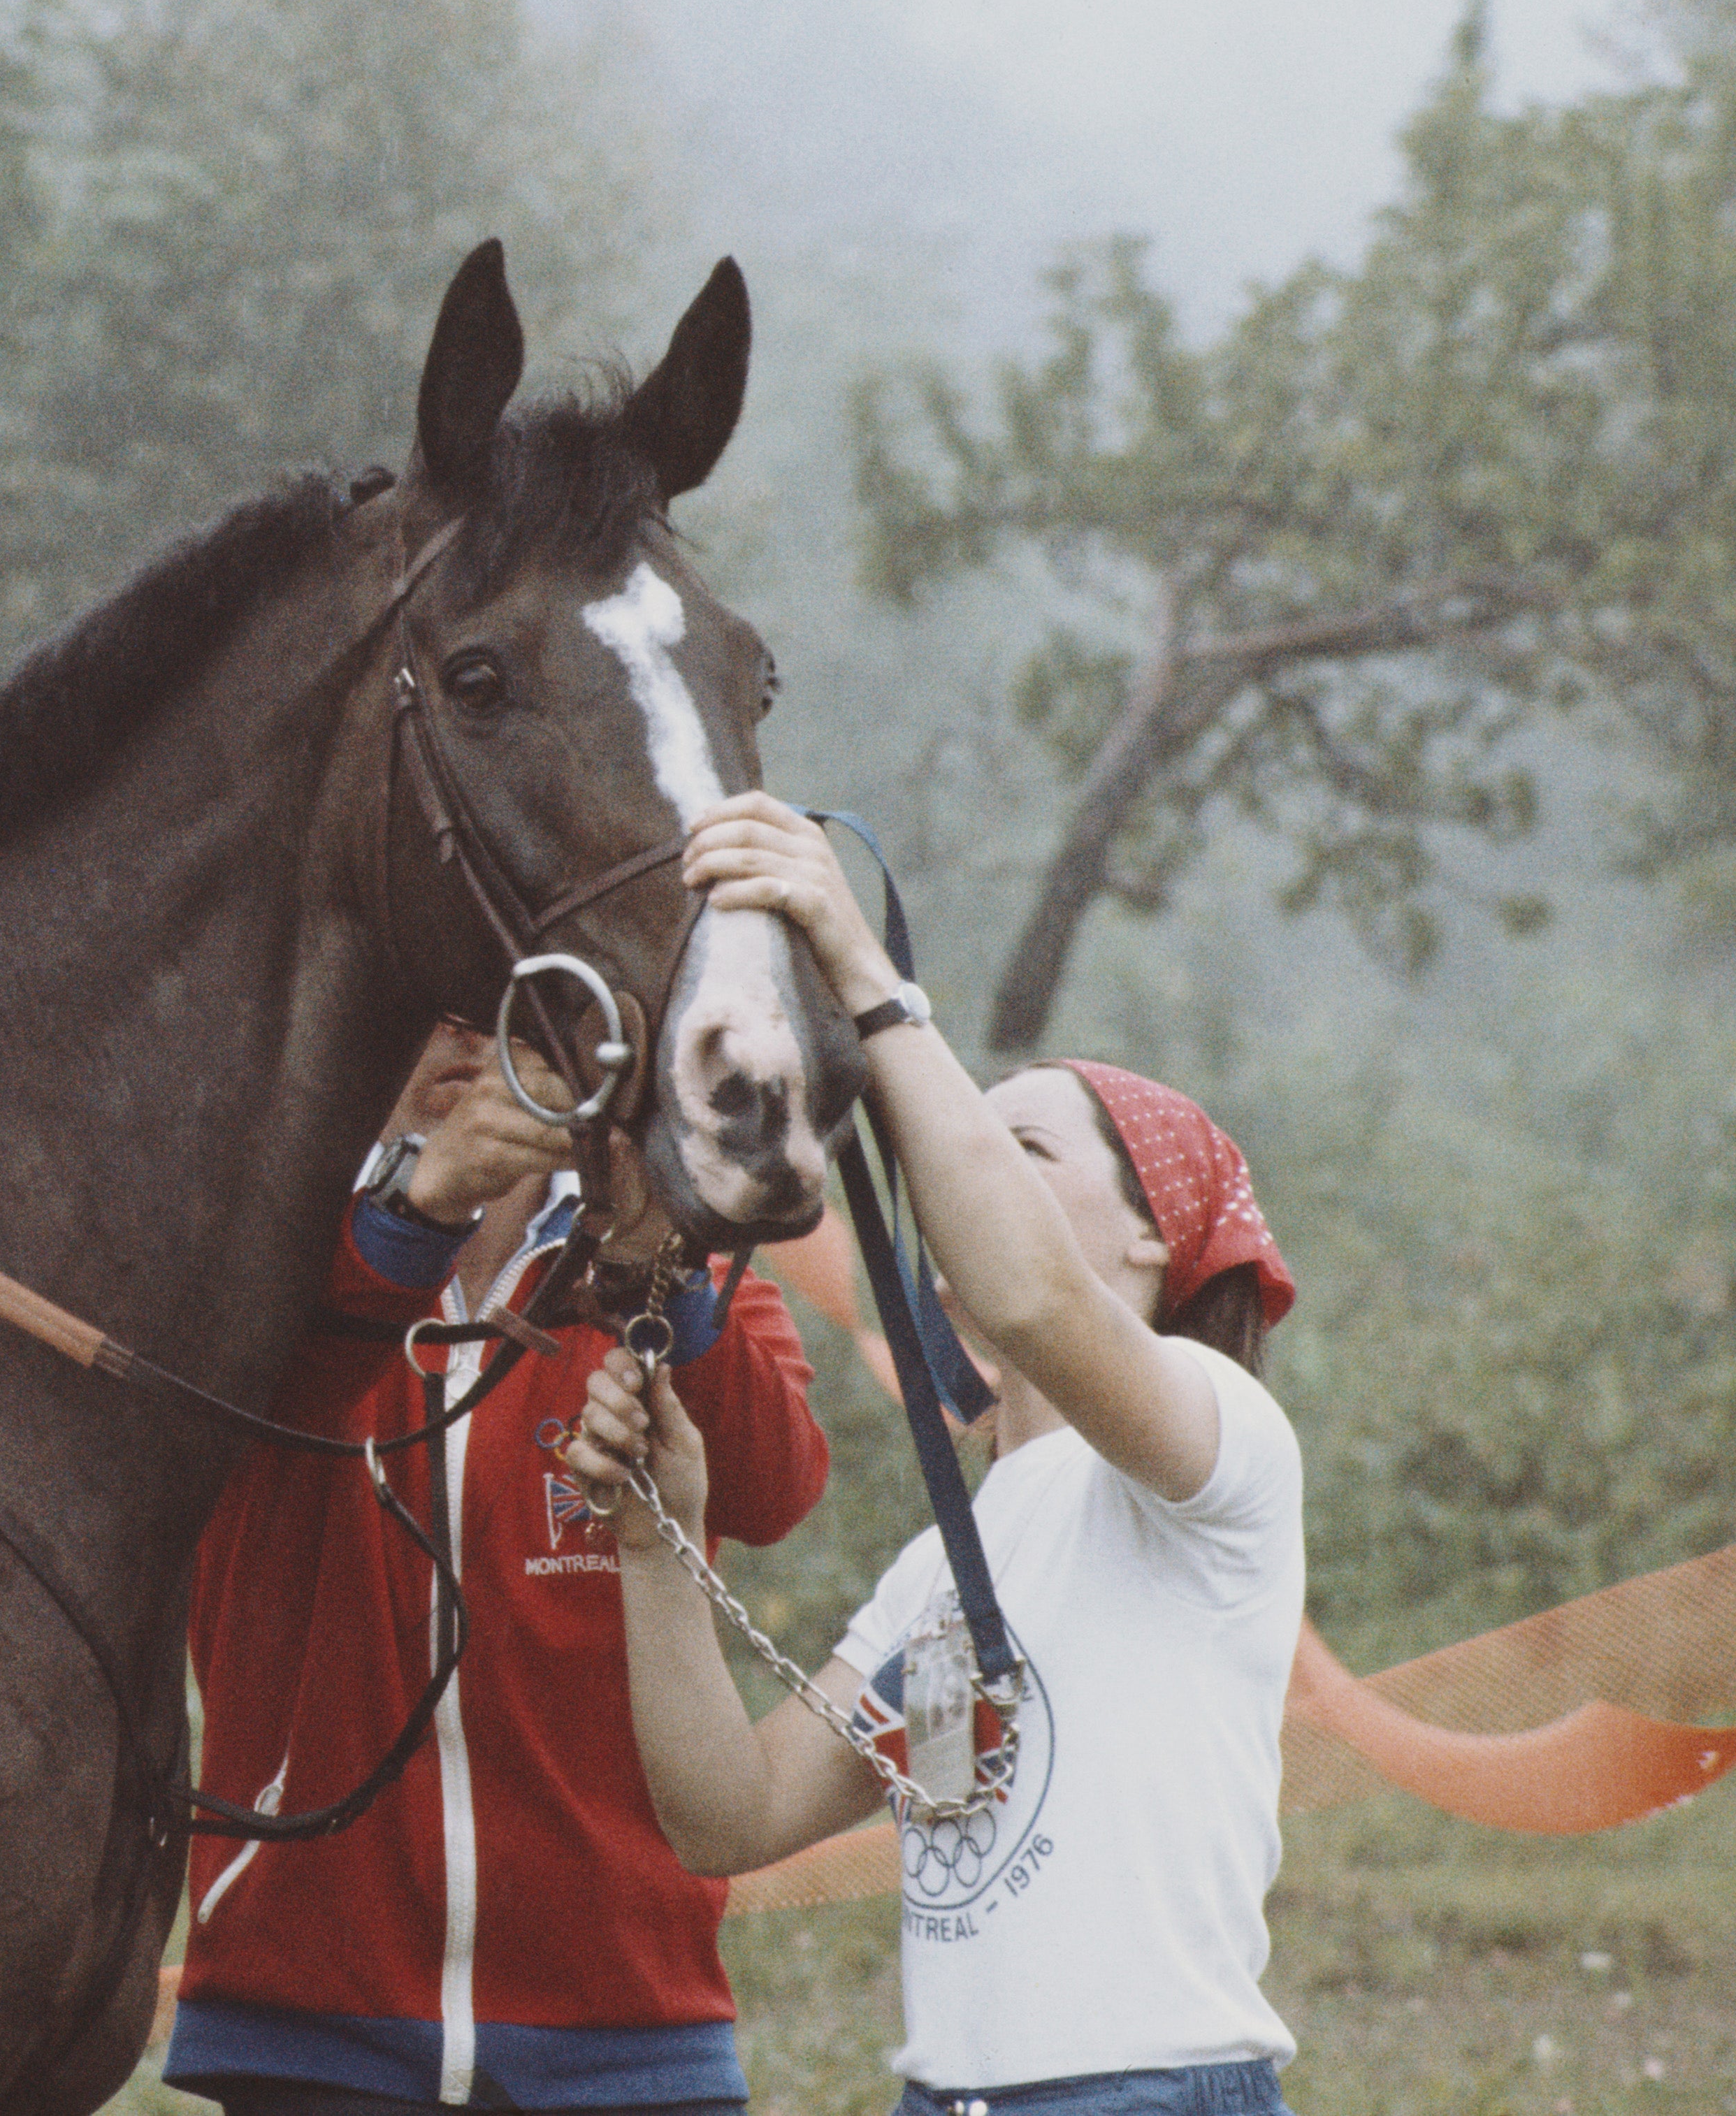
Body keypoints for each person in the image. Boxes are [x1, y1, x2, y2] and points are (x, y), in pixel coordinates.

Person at [567, 792, 1306, 2116]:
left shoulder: (1216, 1439)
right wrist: (652, 1540)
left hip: (1140, 2090)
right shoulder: (941, 1567)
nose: (966, 1191)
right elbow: (727, 1817)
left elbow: (1033, 1295)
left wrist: (865, 973)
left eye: (1023, 1153)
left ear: (1155, 1238)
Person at [167, 1022, 833, 2116]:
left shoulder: (655, 1256)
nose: (469, 1038)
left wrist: (650, 1268)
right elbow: (239, 1418)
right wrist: (408, 1218)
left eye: (509, 1008)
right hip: (310, 2016)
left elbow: (777, 1486)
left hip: (627, 2018)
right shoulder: (262, 1242)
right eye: (429, 1001)